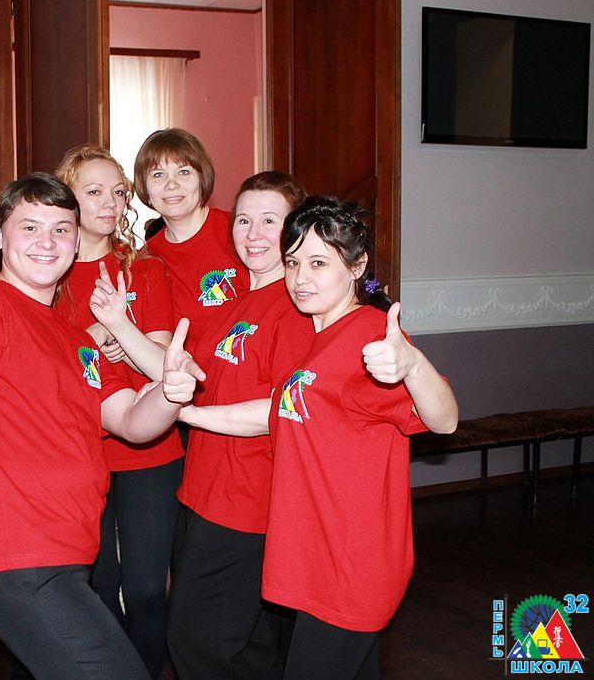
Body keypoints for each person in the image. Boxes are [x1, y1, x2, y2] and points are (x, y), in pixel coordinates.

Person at [0, 173, 203, 680]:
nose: (47, 241)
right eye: (30, 227)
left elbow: (130, 421)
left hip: (67, 553)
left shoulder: (78, 339)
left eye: (61, 229)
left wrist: (169, 393)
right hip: (15, 557)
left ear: (76, 240)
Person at [182, 196, 458, 679]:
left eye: (318, 263)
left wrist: (414, 366)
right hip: (317, 553)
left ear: (357, 267)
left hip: (351, 562)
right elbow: (277, 410)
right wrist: (187, 413)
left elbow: (445, 420)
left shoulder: (369, 334)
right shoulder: (318, 339)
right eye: (293, 263)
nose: (300, 278)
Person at [168, 172, 315, 679]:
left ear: (296, 230)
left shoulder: (296, 307)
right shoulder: (235, 299)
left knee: (196, 639)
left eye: (270, 221)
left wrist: (186, 414)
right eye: (244, 220)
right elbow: (203, 379)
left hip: (248, 504)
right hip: (202, 492)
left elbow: (281, 408)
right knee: (248, 644)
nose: (253, 234)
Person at [53, 145, 184, 677]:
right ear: (67, 198)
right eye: (94, 192)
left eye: (118, 192)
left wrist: (117, 334)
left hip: (149, 451)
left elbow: (161, 360)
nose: (110, 203)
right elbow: (46, 367)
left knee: (148, 590)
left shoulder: (143, 269)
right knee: (96, 589)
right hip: (77, 453)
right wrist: (97, 335)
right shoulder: (44, 270)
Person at [133, 128, 250, 342]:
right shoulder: (145, 261)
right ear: (145, 188)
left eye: (184, 172)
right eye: (158, 175)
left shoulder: (240, 231)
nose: (171, 184)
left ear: (202, 178)